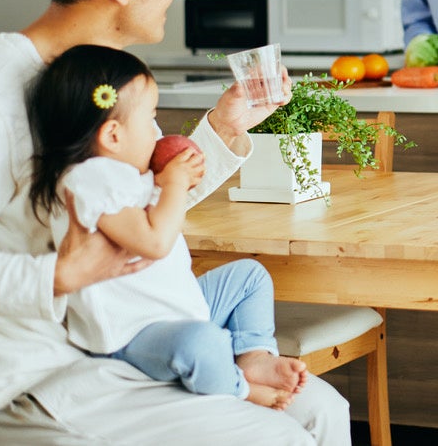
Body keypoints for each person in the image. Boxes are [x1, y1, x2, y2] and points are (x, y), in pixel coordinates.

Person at [0, 0, 350, 445]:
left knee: (323, 411)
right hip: (45, 378)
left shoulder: (103, 79)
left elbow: (137, 209)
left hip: (124, 341)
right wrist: (57, 275)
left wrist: (221, 127)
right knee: (281, 437)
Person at [27, 44, 308, 410]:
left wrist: (190, 160)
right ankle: (240, 387)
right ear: (112, 136)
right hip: (133, 333)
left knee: (250, 276)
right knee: (205, 344)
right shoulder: (89, 180)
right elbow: (154, 242)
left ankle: (253, 354)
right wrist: (173, 183)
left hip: (176, 309)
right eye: (149, 119)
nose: (155, 131)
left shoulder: (130, 172)